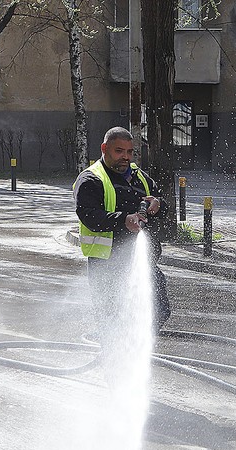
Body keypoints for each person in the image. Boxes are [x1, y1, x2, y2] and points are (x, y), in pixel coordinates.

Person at [73, 126, 171, 340]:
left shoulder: (140, 177)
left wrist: (157, 204)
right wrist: (124, 220)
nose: (125, 157)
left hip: (144, 262)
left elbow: (164, 205)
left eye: (129, 152)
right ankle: (115, 362)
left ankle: (137, 351)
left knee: (159, 311)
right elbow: (89, 215)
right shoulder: (92, 179)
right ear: (104, 149)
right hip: (107, 265)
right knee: (112, 320)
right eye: (119, 151)